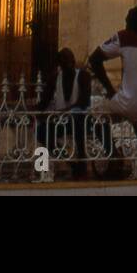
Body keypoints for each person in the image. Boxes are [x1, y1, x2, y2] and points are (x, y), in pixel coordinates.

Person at [88, 6, 137, 179]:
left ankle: (114, 155)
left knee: (94, 113)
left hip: (130, 103)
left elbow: (94, 59)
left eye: (127, 19)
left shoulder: (125, 37)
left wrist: (110, 90)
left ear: (133, 22)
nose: (125, 21)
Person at [32, 48, 92, 179]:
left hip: (80, 119)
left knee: (78, 125)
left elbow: (84, 101)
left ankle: (82, 165)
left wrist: (65, 112)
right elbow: (44, 101)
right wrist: (32, 111)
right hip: (61, 121)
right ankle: (70, 161)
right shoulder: (55, 78)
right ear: (60, 64)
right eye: (65, 63)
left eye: (70, 62)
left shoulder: (83, 76)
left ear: (74, 62)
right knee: (41, 132)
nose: (69, 65)